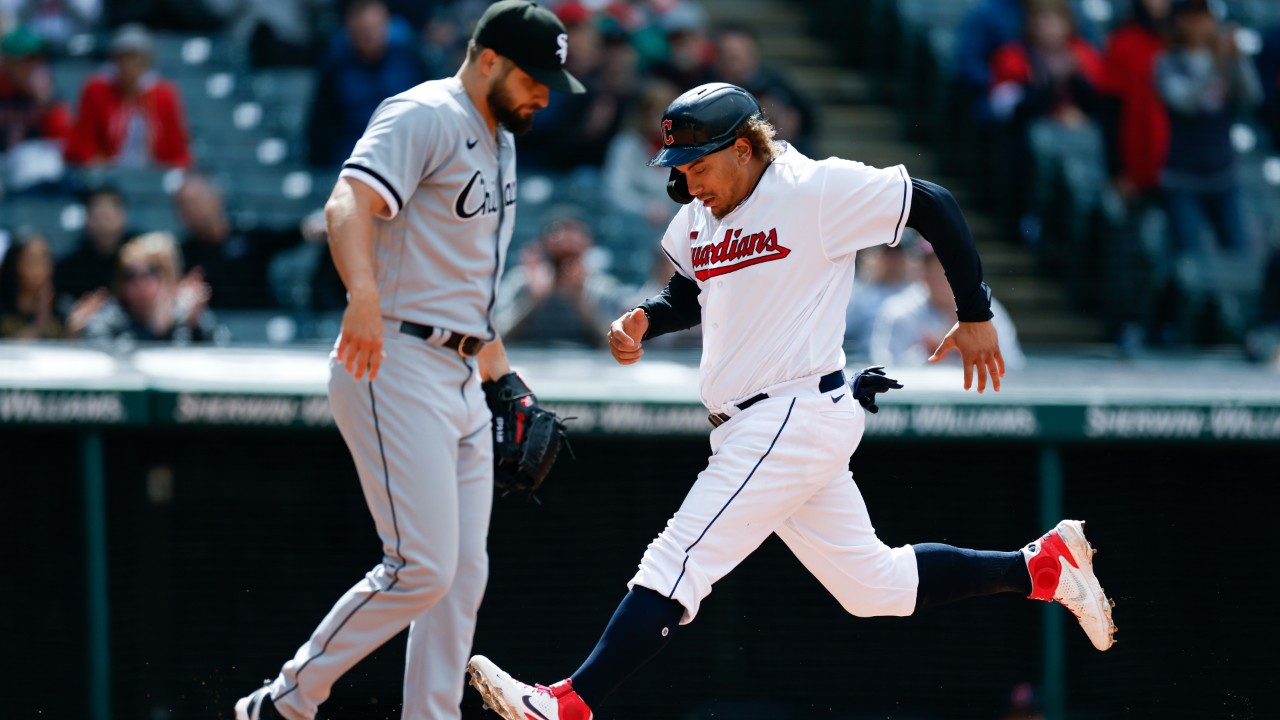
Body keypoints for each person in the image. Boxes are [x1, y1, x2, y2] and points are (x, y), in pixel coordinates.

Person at [464, 82, 1116, 720]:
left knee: (678, 557)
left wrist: (974, 310)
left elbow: (932, 201)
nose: (688, 179)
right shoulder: (699, 210)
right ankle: (1041, 569)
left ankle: (568, 704)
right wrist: (644, 320)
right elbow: (691, 295)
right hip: (767, 422)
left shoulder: (814, 189)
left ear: (746, 148)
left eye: (699, 163)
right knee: (873, 587)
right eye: (680, 166)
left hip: (790, 412)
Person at [231, 3, 585, 720]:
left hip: (459, 370)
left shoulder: (501, 142)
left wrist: (504, 381)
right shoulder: (424, 111)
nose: (546, 93)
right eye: (534, 76)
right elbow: (345, 204)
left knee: (462, 573)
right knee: (421, 566)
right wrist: (361, 292)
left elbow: (469, 291)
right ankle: (285, 702)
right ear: (488, 59)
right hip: (390, 354)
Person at [1154, 0, 1262, 257]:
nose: (1201, 23)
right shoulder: (1166, 62)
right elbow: (1186, 104)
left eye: (1205, 16)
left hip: (1223, 174)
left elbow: (1252, 97)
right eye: (1193, 16)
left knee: (1239, 253)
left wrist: (1239, 60)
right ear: (1180, 21)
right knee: (1189, 259)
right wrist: (1216, 62)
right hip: (1183, 178)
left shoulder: (1226, 60)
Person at [304, 0, 433, 168]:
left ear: (387, 25)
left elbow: (430, 115)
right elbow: (320, 131)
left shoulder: (411, 60)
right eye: (362, 33)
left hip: (406, 159)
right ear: (350, 29)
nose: (369, 39)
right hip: (351, 161)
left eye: (374, 30)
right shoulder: (335, 66)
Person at [870, 239, 1027, 369]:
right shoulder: (899, 311)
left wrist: (972, 352)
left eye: (950, 265)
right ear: (921, 270)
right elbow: (884, 371)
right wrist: (926, 354)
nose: (942, 273)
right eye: (933, 265)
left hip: (975, 401)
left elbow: (1013, 368)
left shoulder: (988, 312)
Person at [172, 173, 318, 309]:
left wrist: (316, 224)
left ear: (217, 199)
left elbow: (290, 235)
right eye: (182, 205)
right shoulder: (182, 254)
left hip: (260, 324)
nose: (190, 210)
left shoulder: (249, 237)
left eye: (194, 202)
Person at [63, 23, 193, 168]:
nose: (128, 66)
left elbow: (179, 153)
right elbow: (82, 144)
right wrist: (98, 162)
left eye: (135, 58)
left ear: (146, 62)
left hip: (154, 178)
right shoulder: (95, 90)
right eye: (123, 58)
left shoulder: (164, 95)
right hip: (108, 177)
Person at [494, 211, 627, 348]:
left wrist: (580, 298)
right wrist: (532, 298)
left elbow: (617, 343)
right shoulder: (520, 281)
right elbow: (497, 336)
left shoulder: (602, 287)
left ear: (587, 245)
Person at [77, 230, 216, 343]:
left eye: (150, 272)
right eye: (130, 275)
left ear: (168, 277)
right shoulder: (108, 320)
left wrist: (194, 327)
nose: (138, 283)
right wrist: (158, 331)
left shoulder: (190, 315)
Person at [54, 185, 132, 307]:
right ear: (87, 217)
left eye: (107, 215)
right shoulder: (70, 266)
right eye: (97, 215)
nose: (103, 223)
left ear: (123, 215)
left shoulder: (141, 255)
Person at [844, 238, 917, 358]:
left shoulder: (916, 293)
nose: (893, 262)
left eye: (897, 256)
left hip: (905, 363)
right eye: (887, 256)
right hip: (862, 362)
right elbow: (844, 331)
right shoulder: (858, 292)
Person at [0, 229, 65, 339]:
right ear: (15, 263)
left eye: (45, 259)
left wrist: (74, 331)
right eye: (33, 260)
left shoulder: (61, 307)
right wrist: (39, 325)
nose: (40, 268)